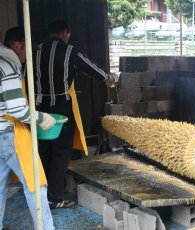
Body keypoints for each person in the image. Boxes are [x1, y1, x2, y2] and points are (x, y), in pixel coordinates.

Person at [34, 19, 117, 209]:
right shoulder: (69, 51)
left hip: (38, 108)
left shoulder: (35, 50)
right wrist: (109, 78)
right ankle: (54, 198)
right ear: (65, 32)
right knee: (61, 152)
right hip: (60, 107)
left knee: (44, 150)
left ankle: (41, 192)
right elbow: (92, 68)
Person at [0, 27, 55, 229]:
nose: (28, 57)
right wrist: (41, 118)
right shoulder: (7, 64)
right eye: (28, 51)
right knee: (36, 184)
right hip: (8, 134)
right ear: (17, 45)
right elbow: (16, 109)